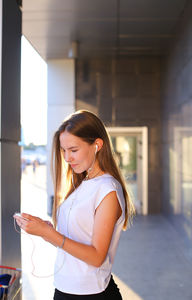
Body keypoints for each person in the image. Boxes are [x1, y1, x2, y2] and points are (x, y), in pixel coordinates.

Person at [14, 110, 135, 299]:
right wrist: (44, 230)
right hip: (64, 289)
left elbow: (96, 257)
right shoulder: (82, 184)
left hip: (91, 294)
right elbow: (74, 239)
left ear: (97, 145)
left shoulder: (108, 189)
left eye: (73, 150)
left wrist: (49, 233)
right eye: (63, 150)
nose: (67, 158)